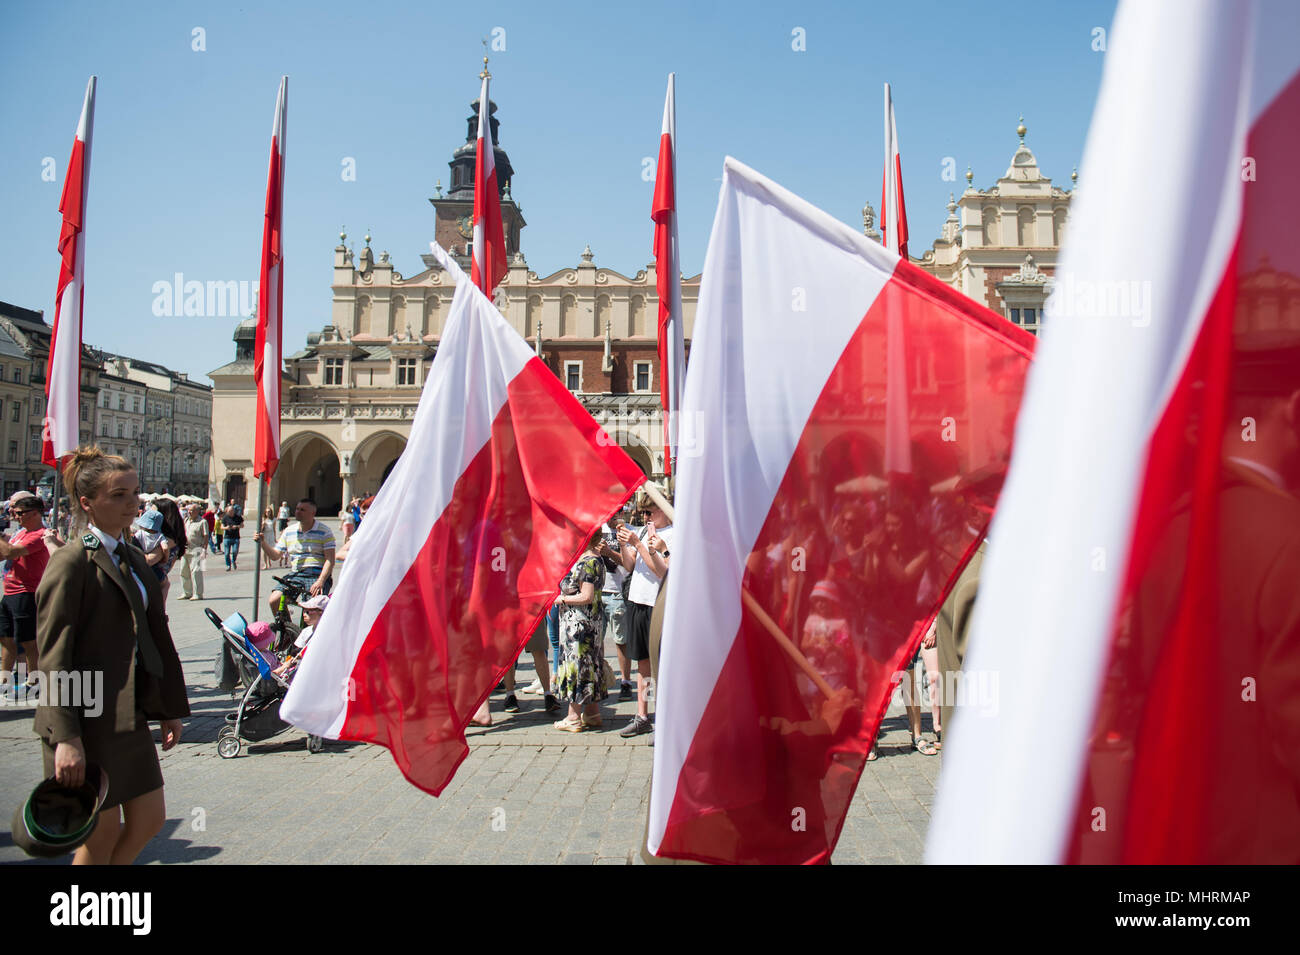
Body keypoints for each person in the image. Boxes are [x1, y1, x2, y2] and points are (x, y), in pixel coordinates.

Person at [34, 448, 189, 865]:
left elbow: (152, 637)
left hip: (128, 715)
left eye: (135, 493)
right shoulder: (72, 561)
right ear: (87, 503)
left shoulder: (133, 556)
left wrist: (166, 708)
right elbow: (53, 657)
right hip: (85, 720)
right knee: (97, 839)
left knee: (148, 820)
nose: (133, 504)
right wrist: (66, 737)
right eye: (119, 495)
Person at [617, 485, 673, 737]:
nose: (647, 518)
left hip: (657, 604)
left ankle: (663, 718)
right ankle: (642, 715)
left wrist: (641, 544)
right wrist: (622, 546)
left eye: (651, 513)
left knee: (660, 663)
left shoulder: (672, 534)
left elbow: (663, 571)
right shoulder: (642, 530)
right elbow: (630, 566)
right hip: (637, 601)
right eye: (645, 514)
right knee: (642, 661)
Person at [0, 492, 63, 701]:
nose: (15, 516)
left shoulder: (40, 534)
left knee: (28, 641)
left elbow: (10, 552)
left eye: (19, 513)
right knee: (6, 639)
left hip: (26, 593)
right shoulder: (21, 532)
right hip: (9, 591)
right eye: (13, 513)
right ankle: (5, 680)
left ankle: (33, 682)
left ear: (34, 513)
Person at [552, 532, 609, 732]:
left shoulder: (588, 562)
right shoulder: (593, 559)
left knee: (578, 666)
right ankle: (592, 713)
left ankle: (573, 717)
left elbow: (586, 596)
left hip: (579, 626)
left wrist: (561, 599)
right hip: (588, 623)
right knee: (589, 665)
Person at [253, 498, 335, 615]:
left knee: (311, 610)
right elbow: (275, 556)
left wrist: (321, 581)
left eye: (302, 510)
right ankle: (288, 630)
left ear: (312, 513)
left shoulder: (324, 531)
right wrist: (263, 543)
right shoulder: (289, 531)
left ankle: (309, 630)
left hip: (316, 573)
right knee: (274, 600)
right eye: (297, 509)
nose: (297, 512)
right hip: (296, 573)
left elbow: (330, 560)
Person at [179, 503, 209, 600]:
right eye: (188, 510)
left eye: (191, 510)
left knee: (196, 573)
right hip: (186, 550)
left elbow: (206, 536)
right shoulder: (186, 520)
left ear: (197, 511)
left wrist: (204, 549)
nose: (189, 512)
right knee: (183, 571)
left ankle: (198, 594)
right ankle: (187, 592)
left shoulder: (202, 522)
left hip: (197, 550)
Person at [222, 504, 243, 572]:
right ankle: (228, 565)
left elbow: (242, 525)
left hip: (236, 537)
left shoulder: (238, 517)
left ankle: (233, 561)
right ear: (227, 511)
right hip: (227, 537)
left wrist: (236, 526)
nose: (231, 512)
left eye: (232, 511)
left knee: (235, 551)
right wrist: (227, 528)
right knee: (227, 553)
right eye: (229, 511)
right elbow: (222, 527)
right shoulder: (225, 518)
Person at [261, 506, 276, 570]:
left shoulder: (274, 519)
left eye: (269, 512)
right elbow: (261, 529)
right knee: (264, 550)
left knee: (270, 549)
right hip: (265, 534)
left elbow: (274, 529)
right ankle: (265, 564)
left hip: (271, 534)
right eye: (267, 512)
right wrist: (263, 525)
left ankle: (268, 561)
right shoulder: (263, 519)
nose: (268, 513)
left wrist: (275, 537)